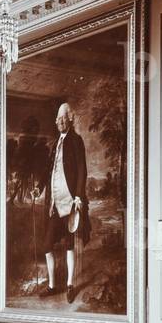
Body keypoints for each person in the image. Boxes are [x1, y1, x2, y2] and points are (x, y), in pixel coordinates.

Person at [43, 103, 91, 303]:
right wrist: (40, 188)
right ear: (56, 122)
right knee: (47, 245)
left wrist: (79, 196)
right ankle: (52, 286)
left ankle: (70, 285)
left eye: (64, 118)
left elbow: (82, 170)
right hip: (55, 203)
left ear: (69, 119)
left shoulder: (76, 141)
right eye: (58, 119)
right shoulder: (55, 144)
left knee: (69, 245)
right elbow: (50, 171)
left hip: (70, 202)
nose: (61, 122)